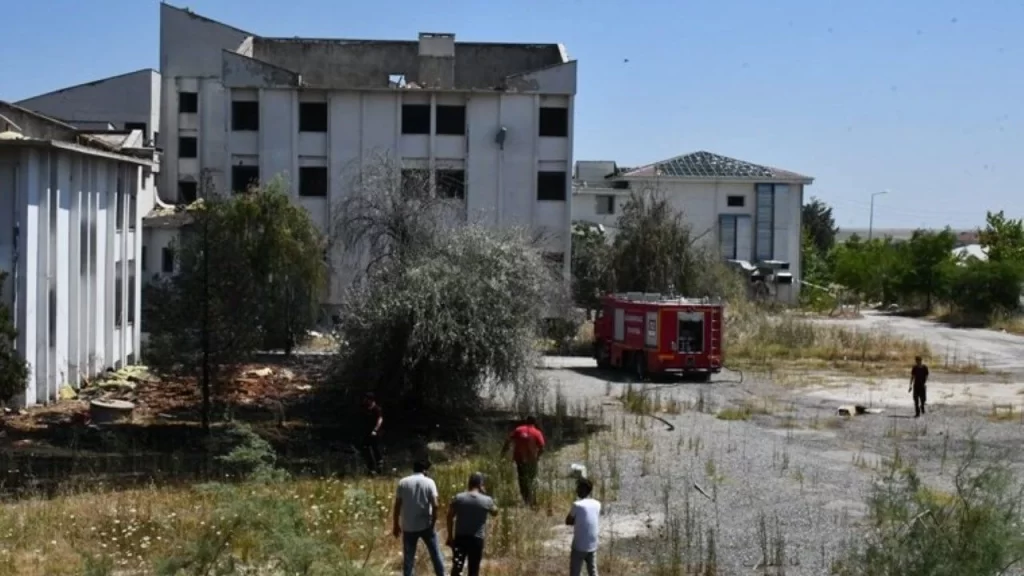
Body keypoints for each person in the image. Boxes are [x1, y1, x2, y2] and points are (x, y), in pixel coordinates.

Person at [392, 459, 446, 576]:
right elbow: (435, 504)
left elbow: (397, 506)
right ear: (424, 470)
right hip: (425, 524)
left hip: (408, 525)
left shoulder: (403, 482)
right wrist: (432, 523)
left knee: (409, 558)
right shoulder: (429, 482)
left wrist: (396, 524)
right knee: (436, 554)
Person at [446, 472, 499, 576]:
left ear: (469, 483)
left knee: (457, 568)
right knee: (474, 570)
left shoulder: (459, 498)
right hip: (477, 540)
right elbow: (495, 512)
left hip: (460, 538)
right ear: (480, 484)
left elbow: (449, 516)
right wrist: (485, 494)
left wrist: (450, 536)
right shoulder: (486, 500)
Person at [500, 415, 546, 506]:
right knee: (532, 479)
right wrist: (537, 457)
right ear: (535, 423)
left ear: (526, 421)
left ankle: (526, 499)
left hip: (520, 459)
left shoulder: (519, 430)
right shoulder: (537, 432)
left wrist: (503, 453)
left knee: (522, 479)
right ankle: (533, 500)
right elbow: (542, 447)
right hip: (532, 460)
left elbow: (508, 440)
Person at [565, 477, 601, 576]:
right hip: (593, 544)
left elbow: (568, 521)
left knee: (575, 572)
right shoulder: (597, 504)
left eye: (579, 488)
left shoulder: (577, 505)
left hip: (579, 545)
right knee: (593, 571)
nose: (577, 490)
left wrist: (577, 520)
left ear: (584, 489)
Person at [361, 393, 384, 475]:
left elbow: (380, 420)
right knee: (365, 449)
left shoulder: (377, 409)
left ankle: (379, 468)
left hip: (375, 433)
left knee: (376, 449)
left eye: (366, 399)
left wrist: (375, 430)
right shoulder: (366, 408)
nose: (365, 400)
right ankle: (370, 467)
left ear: (370, 400)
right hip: (367, 432)